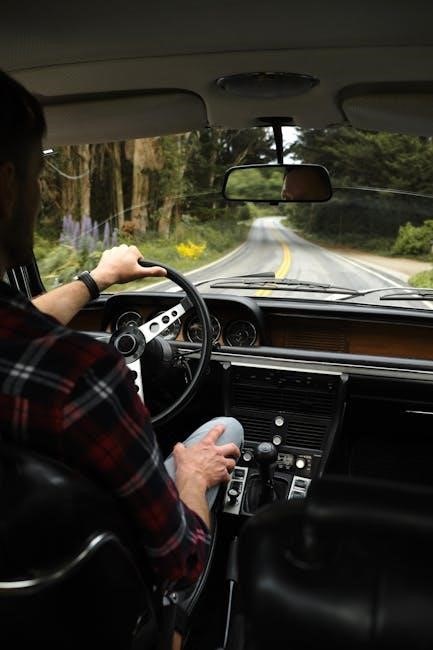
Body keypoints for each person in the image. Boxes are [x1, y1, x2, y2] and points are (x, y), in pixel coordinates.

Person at [0, 69, 243, 592]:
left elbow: (20, 333)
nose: (40, 198)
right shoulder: (80, 379)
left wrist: (99, 278)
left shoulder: (28, 360)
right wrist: (192, 479)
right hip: (105, 613)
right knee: (223, 433)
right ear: (5, 188)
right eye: (38, 178)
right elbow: (180, 560)